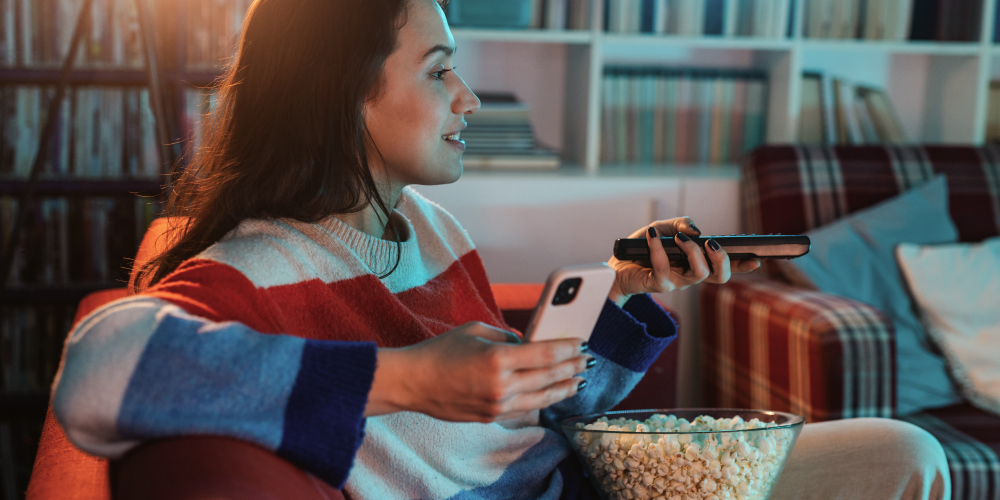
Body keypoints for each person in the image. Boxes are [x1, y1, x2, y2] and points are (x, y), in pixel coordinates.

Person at [52, 0, 951, 498]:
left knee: (907, 456)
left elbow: (534, 415)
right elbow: (96, 371)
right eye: (439, 70)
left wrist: (630, 287)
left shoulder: (436, 231)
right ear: (342, 97)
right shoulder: (258, 270)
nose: (470, 100)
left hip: (569, 475)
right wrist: (410, 377)